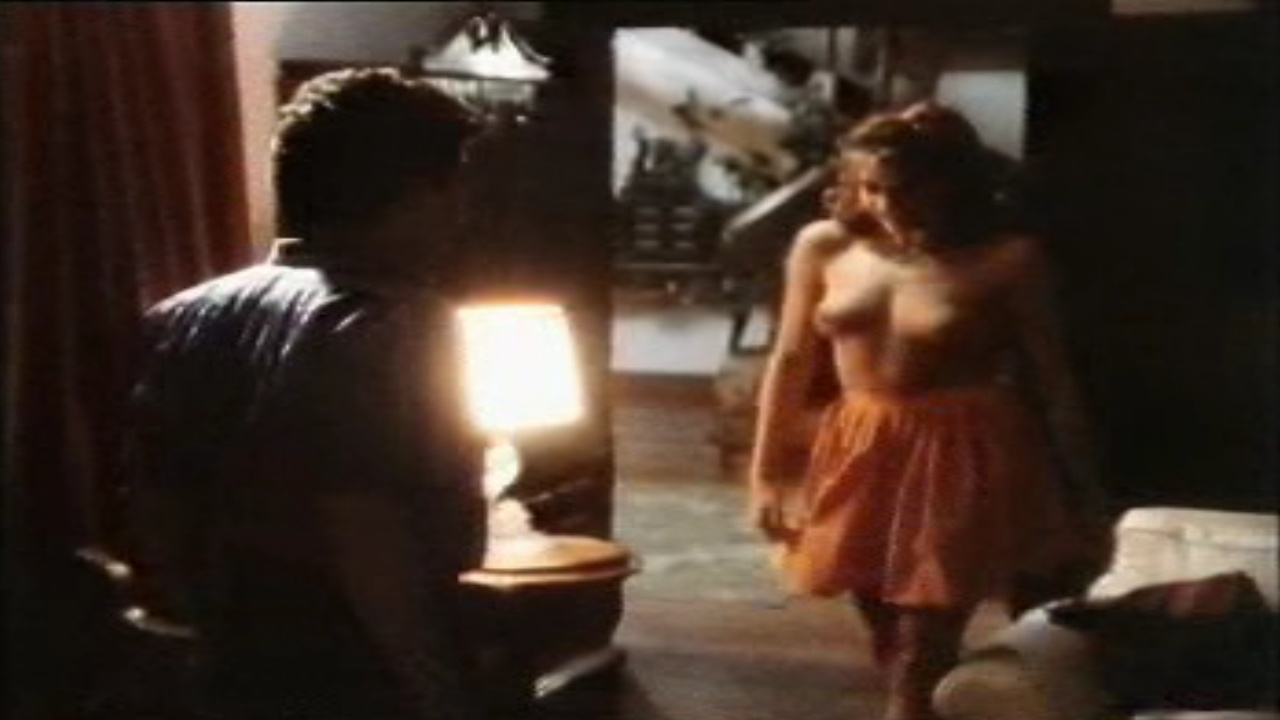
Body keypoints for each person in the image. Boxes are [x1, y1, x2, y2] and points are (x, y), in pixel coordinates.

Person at [121, 68, 489, 720]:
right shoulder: (392, 322)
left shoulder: (181, 316)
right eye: (450, 190)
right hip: (352, 671)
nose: (461, 215)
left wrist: (201, 632)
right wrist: (434, 688)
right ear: (408, 197)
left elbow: (155, 501)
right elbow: (363, 528)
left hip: (227, 666)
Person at [748, 107, 1112, 720]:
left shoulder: (1008, 259)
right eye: (872, 188)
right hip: (861, 443)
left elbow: (1053, 381)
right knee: (889, 637)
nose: (888, 205)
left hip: (960, 451)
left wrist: (1085, 492)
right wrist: (764, 474)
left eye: (908, 188)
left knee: (920, 648)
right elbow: (788, 360)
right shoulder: (824, 245)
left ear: (951, 183)